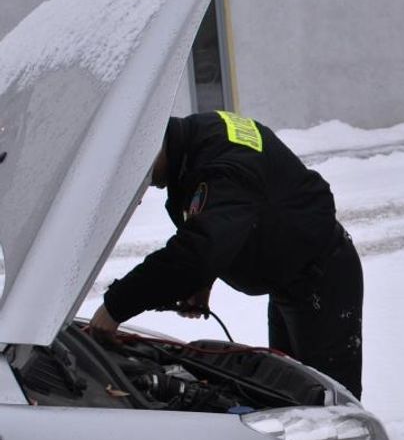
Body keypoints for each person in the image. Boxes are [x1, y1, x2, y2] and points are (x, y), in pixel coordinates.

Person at [89, 111, 364, 397]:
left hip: (320, 281)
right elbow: (226, 218)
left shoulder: (223, 165)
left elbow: (196, 251)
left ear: (153, 145)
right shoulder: (199, 139)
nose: (146, 185)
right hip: (290, 278)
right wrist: (204, 280)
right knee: (291, 391)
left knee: (331, 401)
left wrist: (116, 306)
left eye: (141, 174)